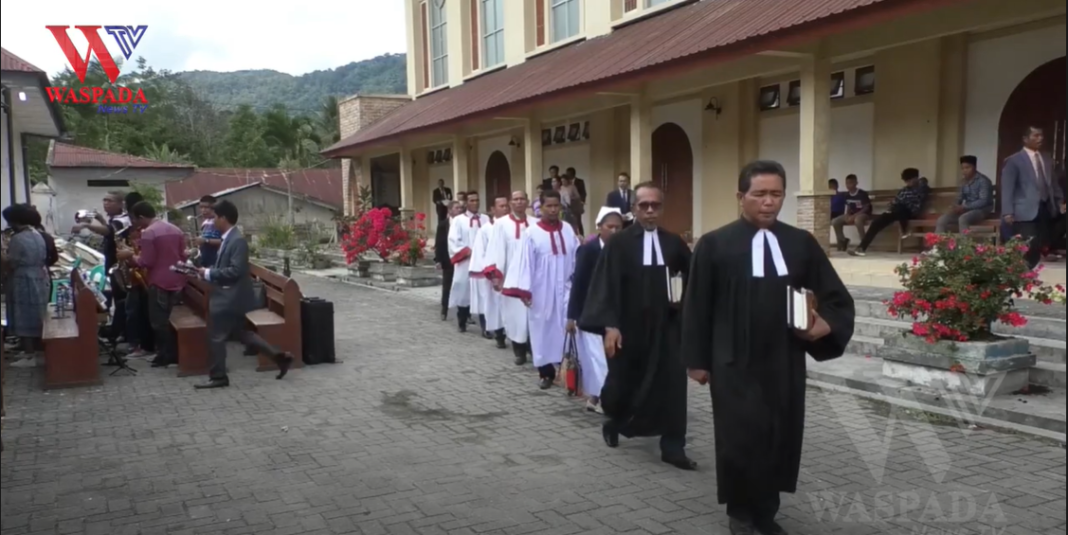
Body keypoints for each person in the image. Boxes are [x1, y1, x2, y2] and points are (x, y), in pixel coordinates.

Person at [682, 160, 855, 535]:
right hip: (732, 359)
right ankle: (741, 512)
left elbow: (835, 296)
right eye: (759, 194)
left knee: (779, 434)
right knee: (739, 437)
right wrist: (696, 360)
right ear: (741, 196)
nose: (768, 203)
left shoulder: (800, 243)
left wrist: (826, 325)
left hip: (783, 359)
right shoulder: (714, 244)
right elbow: (696, 307)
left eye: (776, 194)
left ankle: (767, 510)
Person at [580, 182, 695, 471]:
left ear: (662, 208)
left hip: (667, 327)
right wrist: (610, 325)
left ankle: (673, 445)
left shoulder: (673, 243)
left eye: (655, 205)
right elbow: (604, 285)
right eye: (643, 205)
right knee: (624, 383)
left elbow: (693, 278)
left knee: (673, 384)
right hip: (628, 328)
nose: (650, 211)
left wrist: (683, 302)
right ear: (633, 209)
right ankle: (615, 422)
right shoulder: (619, 244)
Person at [193, 200, 294, 389]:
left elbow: (236, 271)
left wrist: (209, 273)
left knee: (215, 336)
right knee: (242, 333)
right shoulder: (228, 238)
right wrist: (206, 271)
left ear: (223, 218)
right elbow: (226, 266)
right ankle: (280, 357)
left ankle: (218, 377)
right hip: (232, 295)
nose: (212, 221)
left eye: (215, 217)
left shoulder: (237, 240)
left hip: (230, 297)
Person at [502, 190, 577, 389]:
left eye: (556, 206)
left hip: (567, 287)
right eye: (549, 206)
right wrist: (525, 290)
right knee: (542, 329)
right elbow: (524, 263)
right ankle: (545, 373)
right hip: (542, 290)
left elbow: (577, 256)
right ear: (540, 207)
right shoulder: (532, 233)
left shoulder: (568, 229)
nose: (553, 210)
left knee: (566, 326)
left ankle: (567, 368)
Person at [117, 201, 187, 368]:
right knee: (171, 319)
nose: (135, 224)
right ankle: (173, 353)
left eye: (135, 219)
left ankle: (167, 355)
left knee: (158, 321)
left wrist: (128, 255)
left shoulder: (149, 233)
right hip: (177, 279)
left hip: (159, 281)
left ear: (141, 217)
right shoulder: (176, 229)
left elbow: (146, 261)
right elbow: (183, 255)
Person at [566, 207, 623, 414]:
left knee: (612, 359)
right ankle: (600, 399)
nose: (615, 231)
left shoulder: (624, 249)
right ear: (599, 227)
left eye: (619, 227)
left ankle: (600, 397)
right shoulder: (588, 250)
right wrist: (572, 316)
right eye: (610, 227)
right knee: (598, 361)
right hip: (590, 314)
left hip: (615, 314)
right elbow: (578, 283)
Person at [1002, 126, 1064, 269]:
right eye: (1035, 136)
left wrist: (1060, 201)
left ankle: (1027, 272)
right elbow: (1007, 188)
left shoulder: (1047, 158)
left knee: (1040, 243)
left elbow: (1053, 183)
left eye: (1041, 136)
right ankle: (1022, 272)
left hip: (1045, 207)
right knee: (1030, 243)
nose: (1040, 139)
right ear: (1025, 139)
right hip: (1024, 209)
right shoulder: (1014, 161)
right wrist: (1007, 212)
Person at [485, 191, 535, 365]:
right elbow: (496, 249)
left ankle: (533, 348)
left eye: (522, 199)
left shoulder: (535, 223)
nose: (519, 202)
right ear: (511, 203)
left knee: (532, 314)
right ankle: (519, 350)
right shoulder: (501, 224)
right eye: (515, 199)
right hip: (510, 277)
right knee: (515, 315)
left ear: (527, 202)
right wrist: (496, 276)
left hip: (531, 277)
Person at [1, 204, 51, 356]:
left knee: (23, 312)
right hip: (39, 276)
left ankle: (28, 352)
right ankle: (36, 347)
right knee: (36, 312)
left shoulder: (18, 238)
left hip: (22, 278)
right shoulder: (37, 234)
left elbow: (11, 263)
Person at [849, 168, 929, 256]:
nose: (908, 183)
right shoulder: (904, 190)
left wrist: (919, 180)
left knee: (901, 208)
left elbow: (924, 181)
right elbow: (895, 201)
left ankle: (904, 231)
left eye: (909, 180)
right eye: (906, 181)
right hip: (896, 213)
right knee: (876, 223)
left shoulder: (921, 187)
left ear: (916, 178)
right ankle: (861, 248)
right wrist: (891, 207)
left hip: (911, 212)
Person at [448, 192, 490, 332]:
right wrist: (468, 251)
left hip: (482, 262)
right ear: (466, 203)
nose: (475, 203)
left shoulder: (485, 219)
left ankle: (486, 327)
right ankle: (462, 319)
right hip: (466, 261)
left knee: (484, 291)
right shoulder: (459, 220)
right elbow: (453, 240)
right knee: (463, 290)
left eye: (477, 200)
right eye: (472, 200)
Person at [470, 196, 510, 347]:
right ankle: (499, 334)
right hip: (495, 274)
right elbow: (481, 253)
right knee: (496, 305)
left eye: (507, 206)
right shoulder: (486, 229)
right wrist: (491, 273)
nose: (505, 209)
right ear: (493, 209)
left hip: (511, 273)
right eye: (501, 206)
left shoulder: (513, 226)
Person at [936, 156, 994, 234]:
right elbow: (959, 198)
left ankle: (964, 245)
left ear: (974, 167)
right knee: (942, 219)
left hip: (982, 210)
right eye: (963, 168)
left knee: (963, 218)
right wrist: (954, 206)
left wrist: (964, 207)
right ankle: (937, 244)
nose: (964, 171)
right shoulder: (963, 182)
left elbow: (983, 201)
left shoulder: (983, 181)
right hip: (967, 209)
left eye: (967, 168)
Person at [435, 201, 463, 321]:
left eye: (461, 208)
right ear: (450, 210)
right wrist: (438, 260)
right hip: (448, 260)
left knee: (463, 286)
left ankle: (464, 313)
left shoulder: (465, 223)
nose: (459, 210)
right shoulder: (443, 225)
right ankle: (444, 308)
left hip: (462, 259)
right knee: (447, 285)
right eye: (457, 208)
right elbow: (439, 243)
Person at [830, 175, 872, 252]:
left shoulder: (862, 193)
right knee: (835, 221)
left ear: (856, 183)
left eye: (851, 183)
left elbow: (866, 208)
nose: (848, 185)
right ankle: (843, 240)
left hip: (864, 214)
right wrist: (847, 215)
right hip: (852, 214)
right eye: (847, 183)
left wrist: (854, 216)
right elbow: (848, 206)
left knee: (857, 220)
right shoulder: (847, 195)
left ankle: (863, 244)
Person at [196, 196, 222, 268]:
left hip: (217, 263)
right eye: (201, 207)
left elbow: (224, 241)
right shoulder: (205, 223)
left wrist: (206, 241)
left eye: (206, 207)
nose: (203, 210)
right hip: (205, 263)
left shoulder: (220, 222)